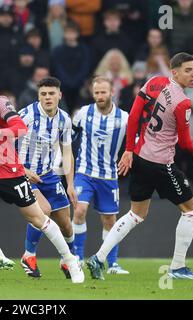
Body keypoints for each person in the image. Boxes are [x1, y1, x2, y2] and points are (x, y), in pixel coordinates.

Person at [0, 63, 84, 283]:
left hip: (11, 173)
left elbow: (20, 128)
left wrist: (0, 131)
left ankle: (70, 260)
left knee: (40, 219)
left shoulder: (0, 103)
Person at [87, 52, 193, 280]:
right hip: (161, 163)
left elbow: (133, 117)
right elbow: (184, 142)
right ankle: (178, 267)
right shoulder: (183, 103)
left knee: (136, 214)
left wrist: (129, 150)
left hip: (140, 158)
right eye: (188, 70)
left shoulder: (153, 82)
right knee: (192, 211)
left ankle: (98, 258)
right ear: (175, 72)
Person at [17, 76, 78, 278]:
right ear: (38, 96)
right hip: (23, 175)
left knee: (66, 225)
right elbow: (4, 148)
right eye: (43, 94)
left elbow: (67, 152)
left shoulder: (64, 119)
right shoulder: (25, 116)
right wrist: (23, 170)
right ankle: (29, 255)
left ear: (59, 95)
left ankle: (68, 259)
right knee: (44, 210)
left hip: (49, 176)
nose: (47, 97)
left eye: (51, 93)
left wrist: (70, 184)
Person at [71, 76, 129, 275]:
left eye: (104, 92)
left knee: (110, 221)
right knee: (79, 211)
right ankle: (76, 259)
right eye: (96, 92)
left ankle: (112, 263)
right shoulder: (83, 113)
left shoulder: (124, 118)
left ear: (112, 92)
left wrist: (128, 156)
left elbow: (134, 143)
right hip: (84, 172)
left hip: (109, 175)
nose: (100, 96)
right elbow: (70, 135)